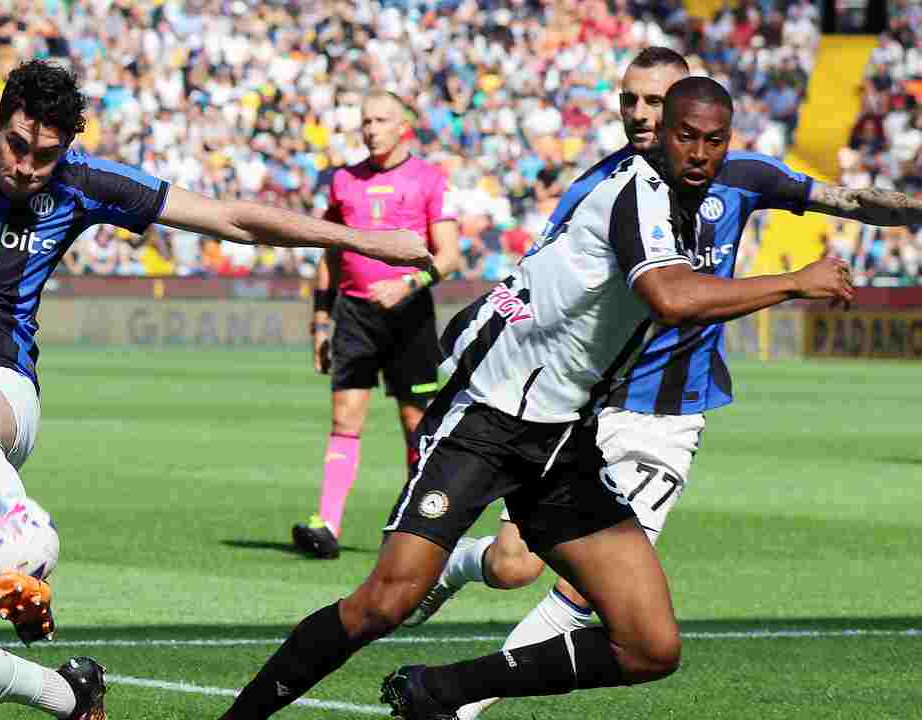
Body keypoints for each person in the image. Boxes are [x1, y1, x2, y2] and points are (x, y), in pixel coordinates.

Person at [0, 3, 429, 719]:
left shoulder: (82, 184)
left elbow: (229, 217)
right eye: (16, 145)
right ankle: (69, 693)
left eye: (45, 155)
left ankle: (13, 534)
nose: (27, 168)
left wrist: (366, 241)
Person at [217, 76, 855, 720]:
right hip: (487, 415)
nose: (697, 153)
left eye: (712, 142)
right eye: (684, 136)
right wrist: (795, 282)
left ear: (727, 145)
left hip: (561, 435)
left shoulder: (692, 208)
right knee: (384, 603)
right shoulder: (636, 190)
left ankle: (438, 691)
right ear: (662, 136)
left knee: (650, 646)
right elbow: (672, 298)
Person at [404, 48, 922, 720]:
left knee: (590, 596)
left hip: (667, 418)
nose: (642, 115)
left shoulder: (743, 176)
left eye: (657, 102)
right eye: (632, 101)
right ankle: (455, 570)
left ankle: (460, 705)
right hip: (584, 409)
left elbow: (848, 199)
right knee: (512, 566)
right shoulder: (601, 186)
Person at [293, 91, 461, 559]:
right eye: (365, 121)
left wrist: (409, 284)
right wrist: (320, 321)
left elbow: (448, 256)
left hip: (410, 316)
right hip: (353, 314)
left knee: (416, 423)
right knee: (345, 416)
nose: (371, 129)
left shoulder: (429, 177)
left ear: (402, 125)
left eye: (381, 120)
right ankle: (326, 524)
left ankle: (420, 528)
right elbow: (329, 252)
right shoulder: (343, 180)